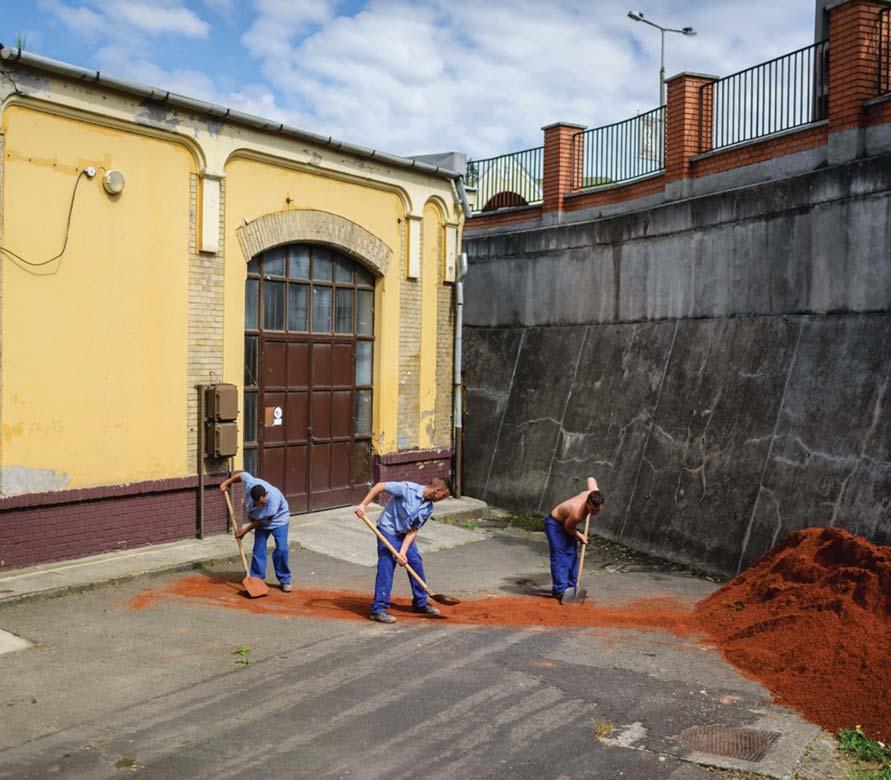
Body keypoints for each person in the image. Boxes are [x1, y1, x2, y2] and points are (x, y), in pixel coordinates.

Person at [355, 477, 452, 623]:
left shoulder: (428, 508)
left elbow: (413, 530)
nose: (442, 499)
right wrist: (363, 505)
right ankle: (378, 609)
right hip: (387, 530)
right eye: (443, 496)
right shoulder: (407, 489)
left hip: (404, 534)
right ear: (437, 490)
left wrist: (403, 552)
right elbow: (380, 486)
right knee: (386, 567)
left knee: (415, 562)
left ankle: (420, 603)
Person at [220, 471, 292, 592]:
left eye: (262, 503)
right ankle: (256, 579)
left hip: (279, 520)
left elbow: (260, 521)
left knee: (282, 550)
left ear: (266, 495)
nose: (260, 505)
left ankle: (285, 580)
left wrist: (245, 531)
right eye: (257, 504)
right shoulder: (250, 483)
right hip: (260, 521)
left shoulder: (272, 502)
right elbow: (242, 474)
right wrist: (226, 483)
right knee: (258, 549)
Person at [545, 476, 604, 602]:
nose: (594, 512)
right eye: (592, 509)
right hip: (555, 524)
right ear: (587, 503)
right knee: (560, 556)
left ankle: (572, 588)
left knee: (571, 554)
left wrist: (592, 483)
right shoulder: (577, 513)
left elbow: (591, 479)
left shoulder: (594, 493)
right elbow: (568, 528)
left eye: (597, 509)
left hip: (567, 523)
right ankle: (560, 591)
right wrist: (580, 536)